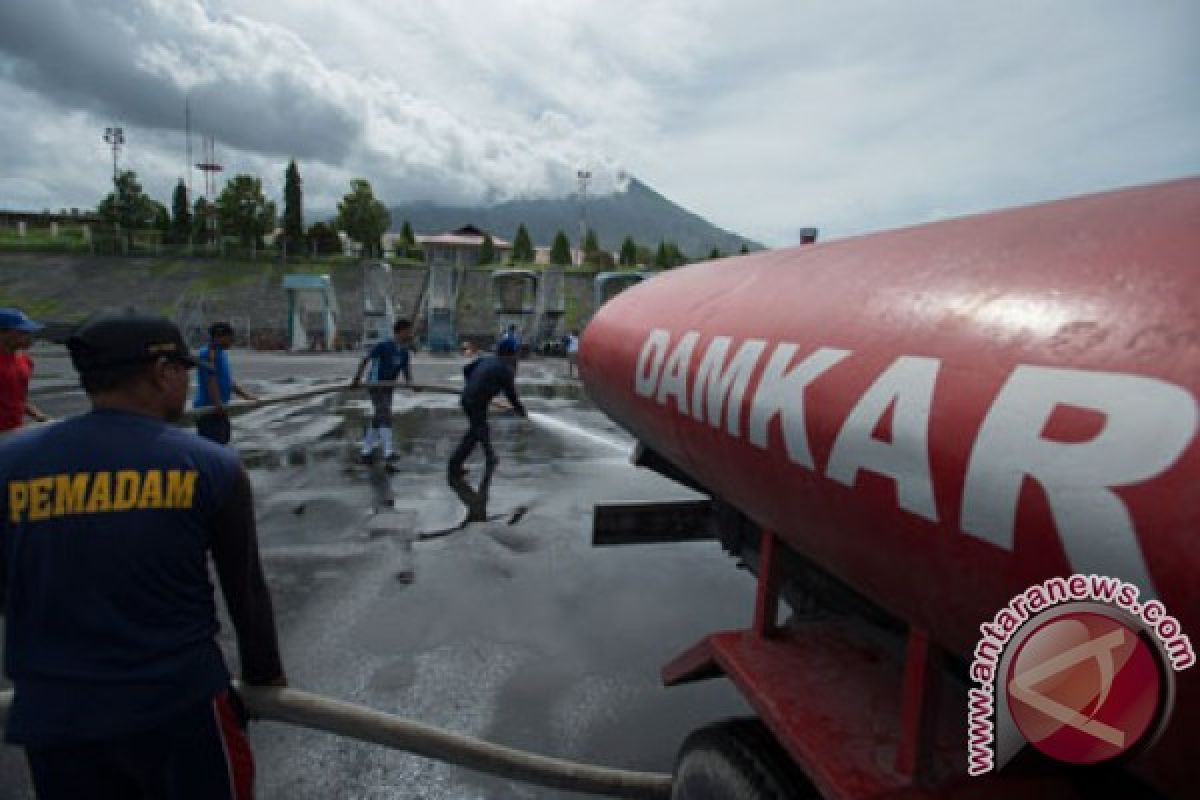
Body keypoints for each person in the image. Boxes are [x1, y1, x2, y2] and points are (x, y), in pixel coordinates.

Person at [0, 312, 286, 800]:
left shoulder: (10, 464)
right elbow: (247, 590)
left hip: (56, 716)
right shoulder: (208, 464)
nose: (186, 381)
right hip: (178, 707)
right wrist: (264, 679)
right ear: (162, 371)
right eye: (185, 371)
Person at [448, 339, 527, 478]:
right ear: (510, 354)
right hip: (476, 401)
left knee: (480, 429)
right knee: (476, 433)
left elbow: (466, 369)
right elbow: (511, 395)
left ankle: (490, 456)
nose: (517, 355)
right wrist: (520, 410)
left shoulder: (486, 359)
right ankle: (454, 464)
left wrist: (472, 384)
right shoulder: (505, 370)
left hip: (470, 398)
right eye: (516, 352)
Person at [351, 318, 413, 463]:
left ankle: (366, 451)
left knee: (379, 417)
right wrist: (357, 378)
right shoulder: (383, 346)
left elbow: (406, 370)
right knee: (385, 415)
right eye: (408, 331)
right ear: (401, 331)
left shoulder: (404, 351)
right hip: (376, 384)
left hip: (388, 386)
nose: (410, 334)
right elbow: (365, 359)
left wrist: (412, 384)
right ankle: (388, 452)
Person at [194, 322, 257, 445]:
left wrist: (247, 396)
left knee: (223, 442)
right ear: (219, 337)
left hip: (220, 409)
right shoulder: (207, 354)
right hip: (209, 410)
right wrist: (217, 403)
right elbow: (210, 380)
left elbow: (227, 381)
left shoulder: (221, 353)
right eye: (230, 337)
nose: (232, 341)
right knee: (212, 448)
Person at [0, 308, 49, 433]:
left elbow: (17, 397)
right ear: (3, 333)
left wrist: (39, 416)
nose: (30, 336)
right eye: (23, 332)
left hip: (13, 431)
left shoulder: (25, 361)